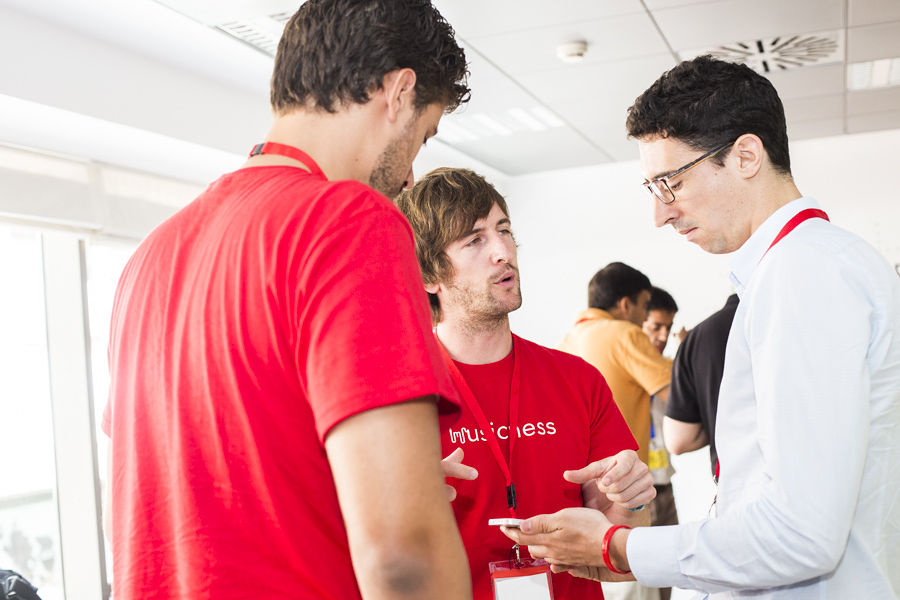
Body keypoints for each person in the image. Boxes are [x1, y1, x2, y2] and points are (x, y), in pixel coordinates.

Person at [101, 2, 474, 598]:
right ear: (399, 93)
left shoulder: (148, 257)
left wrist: (384, 475)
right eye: (422, 137)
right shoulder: (350, 222)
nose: (409, 177)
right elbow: (405, 557)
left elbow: (203, 480)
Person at [502, 55, 900, 599]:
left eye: (670, 182)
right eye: (653, 189)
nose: (661, 214)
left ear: (745, 155)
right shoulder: (805, 266)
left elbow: (802, 535)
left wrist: (616, 547)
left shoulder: (803, 274)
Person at [395, 167, 655, 599]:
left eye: (504, 230)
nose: (503, 251)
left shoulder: (578, 380)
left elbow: (622, 539)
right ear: (429, 276)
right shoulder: (399, 398)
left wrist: (632, 498)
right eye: (475, 240)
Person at [557, 263, 672, 600]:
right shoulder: (625, 334)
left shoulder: (565, 342)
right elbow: (679, 393)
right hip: (625, 495)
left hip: (580, 496)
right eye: (643, 305)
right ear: (626, 305)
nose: (642, 318)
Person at [663, 293, 739, 477]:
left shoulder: (698, 339)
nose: (663, 335)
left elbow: (678, 440)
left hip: (735, 480)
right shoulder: (806, 317)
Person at [641, 286, 679, 600]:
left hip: (665, 484)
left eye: (668, 327)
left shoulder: (669, 371)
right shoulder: (628, 368)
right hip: (640, 491)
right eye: (656, 326)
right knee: (644, 583)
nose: (663, 335)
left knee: (669, 571)